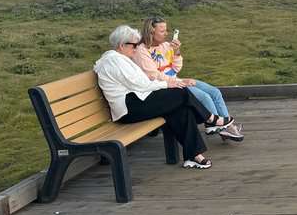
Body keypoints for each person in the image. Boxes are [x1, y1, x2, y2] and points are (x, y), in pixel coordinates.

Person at [94, 25, 221, 169]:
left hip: (137, 101)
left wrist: (170, 83)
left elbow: (143, 84)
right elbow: (140, 85)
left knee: (179, 108)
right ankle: (211, 119)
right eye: (134, 45)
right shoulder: (113, 60)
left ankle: (194, 156)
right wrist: (168, 85)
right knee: (181, 92)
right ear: (122, 45)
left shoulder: (121, 59)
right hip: (128, 108)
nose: (136, 48)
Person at [133, 16, 244, 142]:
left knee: (214, 92)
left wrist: (177, 52)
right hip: (164, 87)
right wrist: (180, 82)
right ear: (151, 32)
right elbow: (154, 76)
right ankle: (218, 125)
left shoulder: (164, 46)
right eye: (162, 31)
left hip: (175, 80)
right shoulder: (141, 51)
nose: (166, 34)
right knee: (204, 97)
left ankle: (225, 128)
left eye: (167, 30)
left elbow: (176, 68)